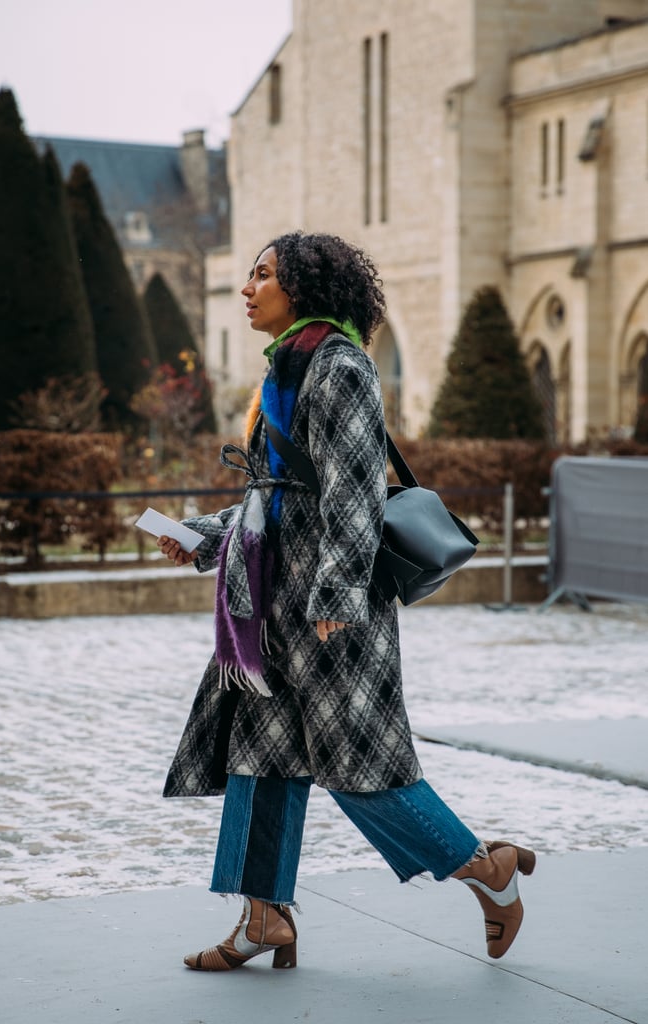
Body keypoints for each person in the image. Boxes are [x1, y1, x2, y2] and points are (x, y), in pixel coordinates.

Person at [157, 231, 535, 972]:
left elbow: (356, 491)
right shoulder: (281, 375)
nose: (247, 288)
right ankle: (263, 919)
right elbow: (273, 501)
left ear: (302, 287)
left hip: (335, 615)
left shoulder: (339, 367)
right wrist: (200, 536)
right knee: (258, 762)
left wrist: (336, 592)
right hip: (269, 610)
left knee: (363, 771)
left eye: (262, 275)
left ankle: (485, 869)